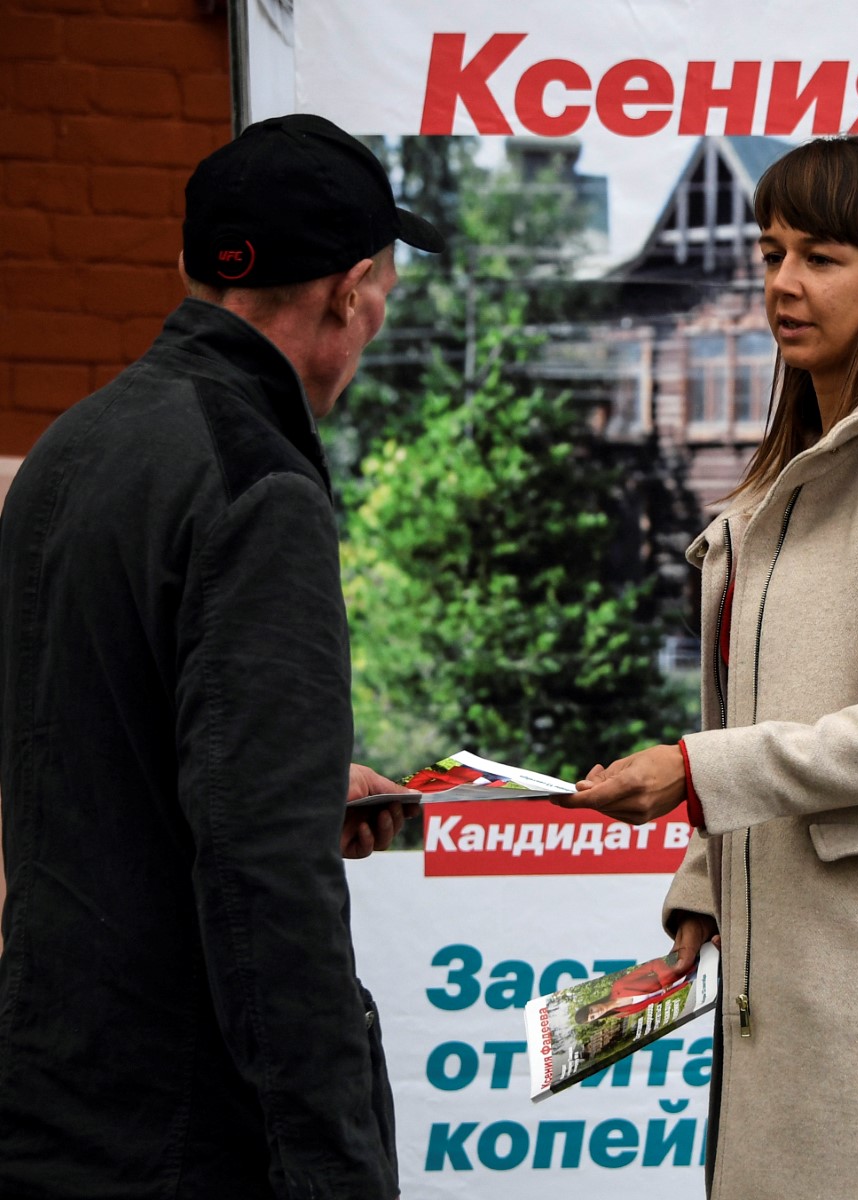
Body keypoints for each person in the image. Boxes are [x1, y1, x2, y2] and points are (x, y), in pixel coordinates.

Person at [559, 137, 858, 1198]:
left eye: (822, 256)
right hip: (777, 978)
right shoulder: (785, 477)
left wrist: (693, 768)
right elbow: (762, 709)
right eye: (772, 252)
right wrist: (700, 892)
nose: (782, 282)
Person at [0, 113, 443, 1198]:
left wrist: (294, 781)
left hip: (52, 1078)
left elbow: (97, 741)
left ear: (189, 269)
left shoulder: (73, 444)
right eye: (383, 288)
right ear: (349, 292)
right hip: (184, 1122)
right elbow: (266, 876)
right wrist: (335, 1168)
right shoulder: (259, 485)